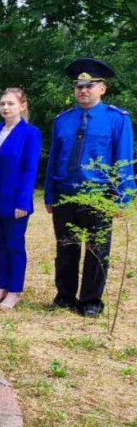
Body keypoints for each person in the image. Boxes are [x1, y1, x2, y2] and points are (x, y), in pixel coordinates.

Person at [44, 58, 135, 317]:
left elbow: (124, 160)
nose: (83, 90)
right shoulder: (63, 120)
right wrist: (50, 193)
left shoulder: (116, 119)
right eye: (78, 86)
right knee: (66, 248)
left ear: (102, 89)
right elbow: (54, 160)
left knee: (97, 251)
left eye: (89, 86)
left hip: (98, 195)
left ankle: (90, 301)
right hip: (66, 193)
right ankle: (64, 296)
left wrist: (123, 198)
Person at [0, 88, 41, 310]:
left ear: (22, 106)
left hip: (16, 200)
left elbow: (29, 170)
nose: (5, 108)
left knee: (15, 245)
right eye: (2, 103)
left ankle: (14, 291)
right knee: (0, 246)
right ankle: (1, 288)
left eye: (10, 104)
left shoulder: (30, 133)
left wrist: (23, 201)